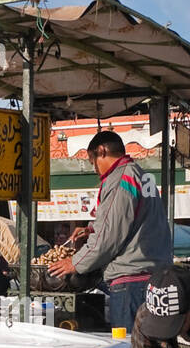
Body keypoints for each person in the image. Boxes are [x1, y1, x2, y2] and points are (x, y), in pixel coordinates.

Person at [47, 130, 171, 330]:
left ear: (101, 151)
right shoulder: (141, 174)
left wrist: (76, 262)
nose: (94, 168)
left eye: (92, 161)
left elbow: (109, 236)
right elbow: (132, 220)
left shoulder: (120, 177)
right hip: (155, 276)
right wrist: (90, 229)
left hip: (131, 280)